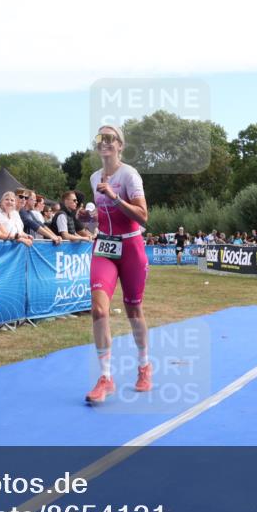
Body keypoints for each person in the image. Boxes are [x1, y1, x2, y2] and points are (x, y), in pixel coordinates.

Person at [84, 125, 151, 405]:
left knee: (133, 309)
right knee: (99, 310)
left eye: (111, 138)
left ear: (120, 145)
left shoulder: (129, 175)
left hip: (131, 246)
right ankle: (105, 378)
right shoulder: (94, 177)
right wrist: (87, 219)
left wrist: (114, 196)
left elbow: (143, 216)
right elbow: (102, 218)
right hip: (105, 246)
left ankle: (144, 366)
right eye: (100, 138)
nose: (105, 142)